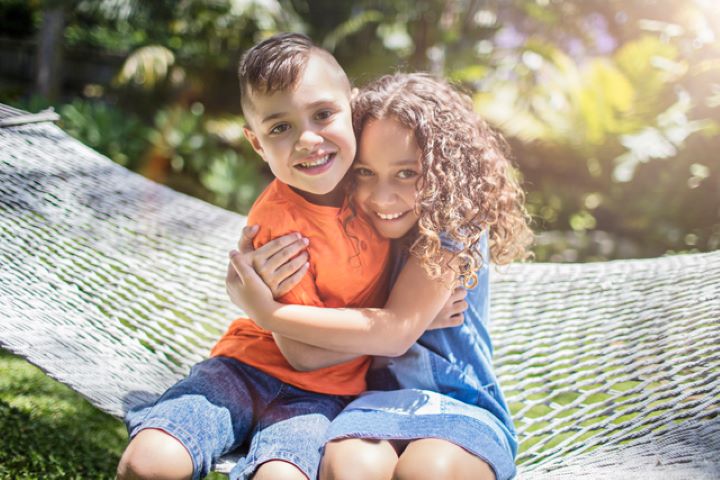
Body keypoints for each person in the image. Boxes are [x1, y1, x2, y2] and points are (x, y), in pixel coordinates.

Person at [116, 32, 397, 480]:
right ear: (256, 144)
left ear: (354, 109)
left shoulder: (386, 199)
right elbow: (303, 354)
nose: (308, 139)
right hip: (243, 369)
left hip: (323, 398)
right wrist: (391, 333)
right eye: (280, 127)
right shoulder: (277, 224)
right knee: (149, 462)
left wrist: (408, 325)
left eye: (323, 114)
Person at [227, 73, 533, 480]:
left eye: (406, 174)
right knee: (349, 466)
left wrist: (265, 313)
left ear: (445, 173)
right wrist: (408, 319)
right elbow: (304, 355)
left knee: (427, 471)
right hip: (370, 403)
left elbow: (393, 334)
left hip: (459, 403)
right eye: (365, 172)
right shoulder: (353, 225)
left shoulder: (453, 227)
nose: (382, 197)